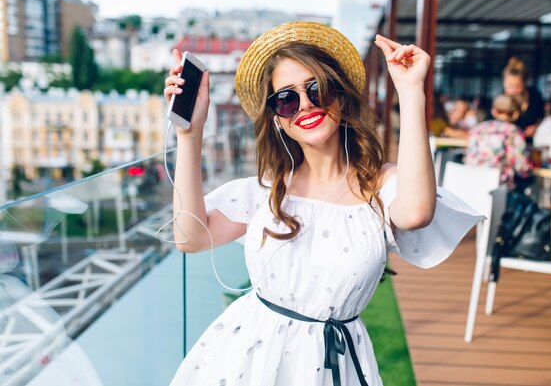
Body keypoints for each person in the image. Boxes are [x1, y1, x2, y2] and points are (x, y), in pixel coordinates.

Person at [163, 22, 482, 386]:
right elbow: (189, 237)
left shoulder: (380, 185)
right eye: (286, 99)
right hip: (248, 357)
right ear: (278, 121)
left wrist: (411, 92)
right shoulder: (267, 190)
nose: (306, 105)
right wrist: (190, 135)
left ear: (341, 96)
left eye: (318, 89)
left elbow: (416, 213)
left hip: (335, 366)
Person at [465, 94, 533, 190]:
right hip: (498, 189)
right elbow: (522, 167)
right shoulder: (513, 132)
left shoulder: (477, 129)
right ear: (516, 114)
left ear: (494, 111)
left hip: (471, 183)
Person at [501, 57, 544, 140]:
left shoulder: (535, 96)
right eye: (510, 86)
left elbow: (542, 117)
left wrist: (536, 127)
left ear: (525, 83)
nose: (513, 90)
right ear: (504, 83)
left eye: (518, 86)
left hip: (530, 142)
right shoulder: (500, 99)